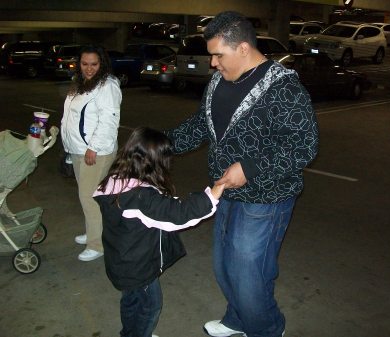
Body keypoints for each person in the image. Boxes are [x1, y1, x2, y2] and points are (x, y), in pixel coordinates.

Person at [165, 11, 319, 337]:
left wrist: (249, 169)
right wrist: (161, 146)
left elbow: (303, 146)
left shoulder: (283, 87)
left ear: (244, 48)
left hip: (267, 196)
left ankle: (267, 329)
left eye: (218, 55)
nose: (212, 63)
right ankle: (238, 319)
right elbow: (200, 126)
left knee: (249, 271)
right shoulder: (220, 80)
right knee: (224, 266)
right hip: (225, 190)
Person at [93, 127, 225, 337]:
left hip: (122, 262)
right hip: (138, 268)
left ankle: (130, 333)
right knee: (149, 306)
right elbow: (179, 215)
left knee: (131, 301)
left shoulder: (116, 179)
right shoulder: (141, 198)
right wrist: (214, 193)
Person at [61, 44, 121, 261]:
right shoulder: (80, 83)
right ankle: (93, 231)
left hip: (96, 151)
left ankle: (97, 245)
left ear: (102, 63)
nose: (89, 68)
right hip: (79, 148)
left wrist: (93, 148)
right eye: (84, 64)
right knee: (88, 194)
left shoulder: (108, 86)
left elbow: (109, 121)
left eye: (94, 64)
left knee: (89, 197)